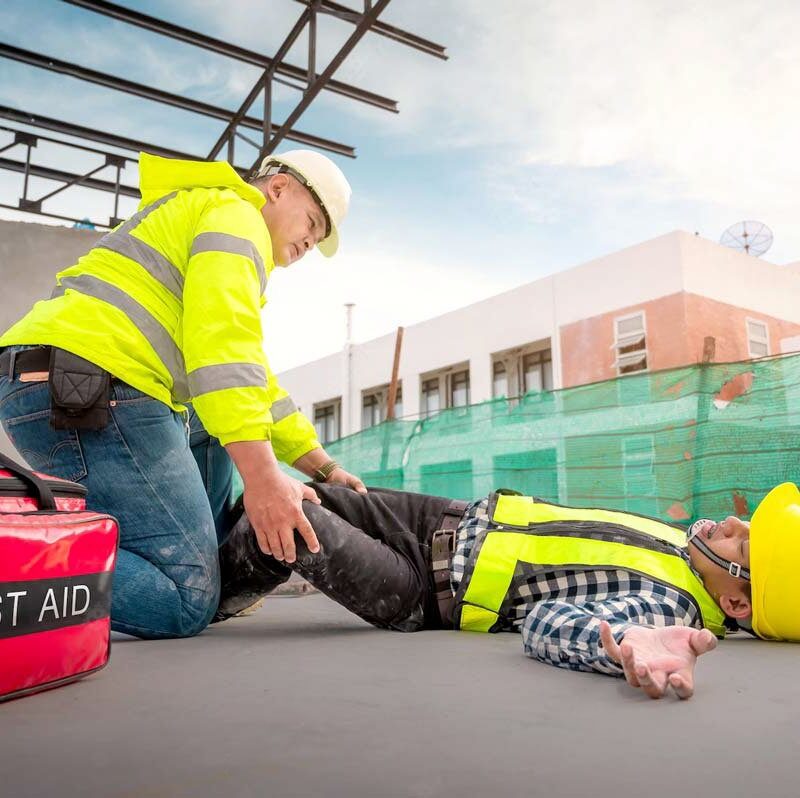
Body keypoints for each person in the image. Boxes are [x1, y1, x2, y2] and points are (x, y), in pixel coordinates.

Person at [0, 150, 366, 640]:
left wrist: (322, 466)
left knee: (216, 426)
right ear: (278, 189)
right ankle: (14, 555)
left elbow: (250, 378)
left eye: (319, 237)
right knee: (182, 599)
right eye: (313, 222)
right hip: (87, 387)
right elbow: (222, 351)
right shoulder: (236, 217)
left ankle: (208, 562)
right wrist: (262, 480)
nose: (309, 242)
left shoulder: (216, 218)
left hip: (77, 380)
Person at [217, 481, 800, 700]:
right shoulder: (680, 548)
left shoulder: (669, 605)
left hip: (422, 589)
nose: (735, 525)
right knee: (301, 494)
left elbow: (550, 625)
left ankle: (196, 594)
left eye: (744, 547)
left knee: (289, 524)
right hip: (440, 520)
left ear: (736, 604)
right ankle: (220, 536)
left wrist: (622, 642)